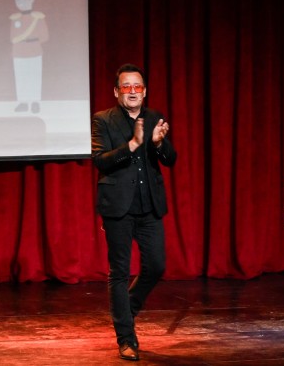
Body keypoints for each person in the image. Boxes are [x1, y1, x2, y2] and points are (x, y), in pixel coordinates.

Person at [91, 64, 177, 361]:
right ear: (117, 92)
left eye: (137, 86)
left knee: (156, 266)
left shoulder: (154, 117)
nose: (132, 91)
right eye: (126, 87)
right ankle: (126, 338)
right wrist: (133, 144)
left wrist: (158, 143)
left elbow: (171, 159)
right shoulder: (103, 120)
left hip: (149, 205)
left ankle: (127, 306)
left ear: (144, 91)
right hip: (118, 208)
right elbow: (100, 161)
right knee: (120, 272)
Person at [10, 0, 49, 113]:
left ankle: (35, 102)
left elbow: (44, 36)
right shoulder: (15, 18)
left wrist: (31, 40)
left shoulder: (37, 18)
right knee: (21, 77)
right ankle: (23, 102)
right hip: (19, 53)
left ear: (31, 0)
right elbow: (12, 37)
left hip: (34, 51)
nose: (18, 2)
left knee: (34, 77)